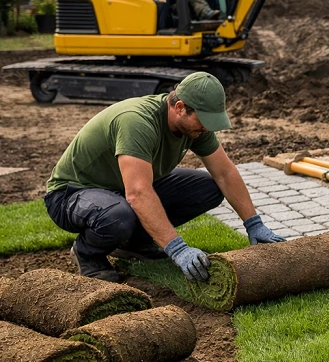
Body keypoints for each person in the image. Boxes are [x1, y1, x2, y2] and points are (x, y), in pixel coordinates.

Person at [44, 72, 284, 283]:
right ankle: (87, 253)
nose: (207, 129)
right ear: (180, 107)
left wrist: (254, 223)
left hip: (118, 191)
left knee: (208, 188)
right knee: (117, 215)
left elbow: (225, 172)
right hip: (71, 195)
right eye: (203, 121)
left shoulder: (194, 127)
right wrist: (177, 249)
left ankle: (134, 244)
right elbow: (138, 194)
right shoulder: (137, 121)